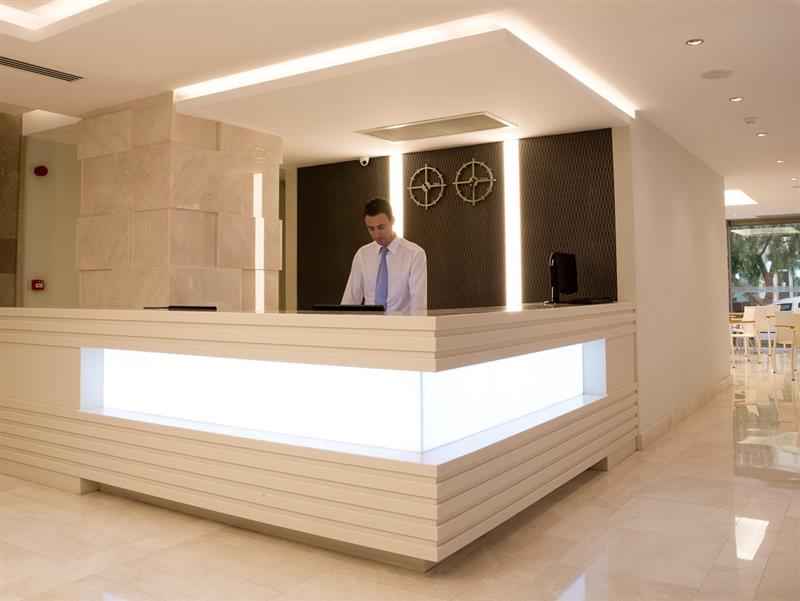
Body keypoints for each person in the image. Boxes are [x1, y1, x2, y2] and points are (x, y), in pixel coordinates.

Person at [341, 198, 427, 314]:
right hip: (369, 324)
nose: (376, 234)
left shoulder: (415, 254)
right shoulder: (362, 255)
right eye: (371, 229)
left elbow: (418, 307)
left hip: (401, 325)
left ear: (392, 221)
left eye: (381, 227)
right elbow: (350, 301)